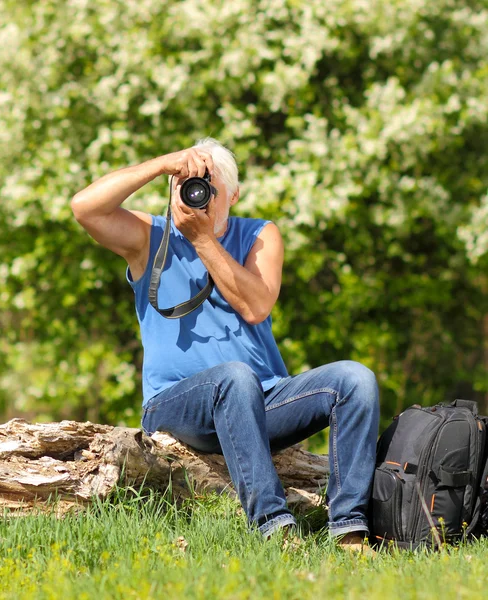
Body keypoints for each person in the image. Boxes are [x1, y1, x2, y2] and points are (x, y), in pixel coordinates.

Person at [70, 138, 380, 551]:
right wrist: (164, 163)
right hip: (176, 405)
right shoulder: (151, 237)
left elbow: (255, 305)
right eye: (186, 182)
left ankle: (350, 531)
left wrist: (203, 241)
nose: (195, 193)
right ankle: (275, 528)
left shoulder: (261, 235)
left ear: (232, 194)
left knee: (355, 379)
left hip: (262, 400)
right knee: (234, 378)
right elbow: (84, 208)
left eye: (207, 186)